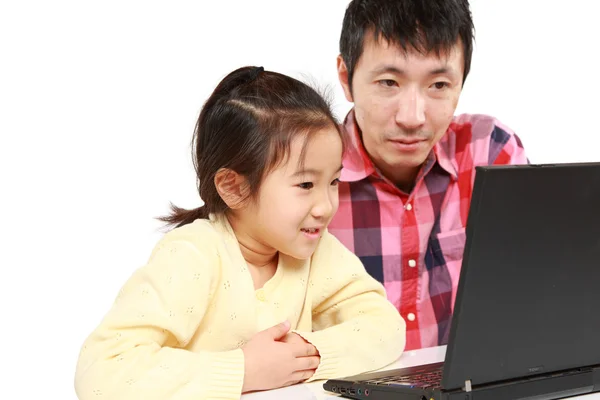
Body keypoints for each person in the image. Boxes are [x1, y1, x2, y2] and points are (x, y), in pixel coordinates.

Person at [74, 66, 405, 400]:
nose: (325, 206)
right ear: (234, 188)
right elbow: (102, 371)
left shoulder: (318, 252)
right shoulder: (192, 255)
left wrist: (307, 353)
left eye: (333, 181)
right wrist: (243, 370)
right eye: (305, 184)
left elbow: (386, 328)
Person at [327, 0, 529, 351]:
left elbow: (533, 291)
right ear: (346, 78)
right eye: (389, 82)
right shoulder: (305, 172)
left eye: (438, 85)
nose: (412, 117)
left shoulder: (489, 154)